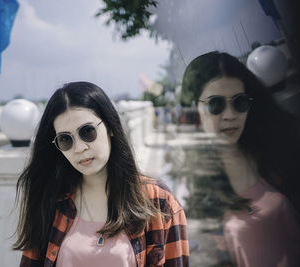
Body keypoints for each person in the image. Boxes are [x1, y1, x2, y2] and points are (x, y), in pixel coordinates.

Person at [13, 81, 189, 266]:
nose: (80, 148)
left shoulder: (160, 202)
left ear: (110, 127)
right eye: (65, 139)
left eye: (87, 131)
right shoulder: (49, 200)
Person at [181, 51, 300, 267]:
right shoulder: (194, 191)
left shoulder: (275, 154)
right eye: (216, 104)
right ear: (194, 110)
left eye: (239, 102)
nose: (230, 114)